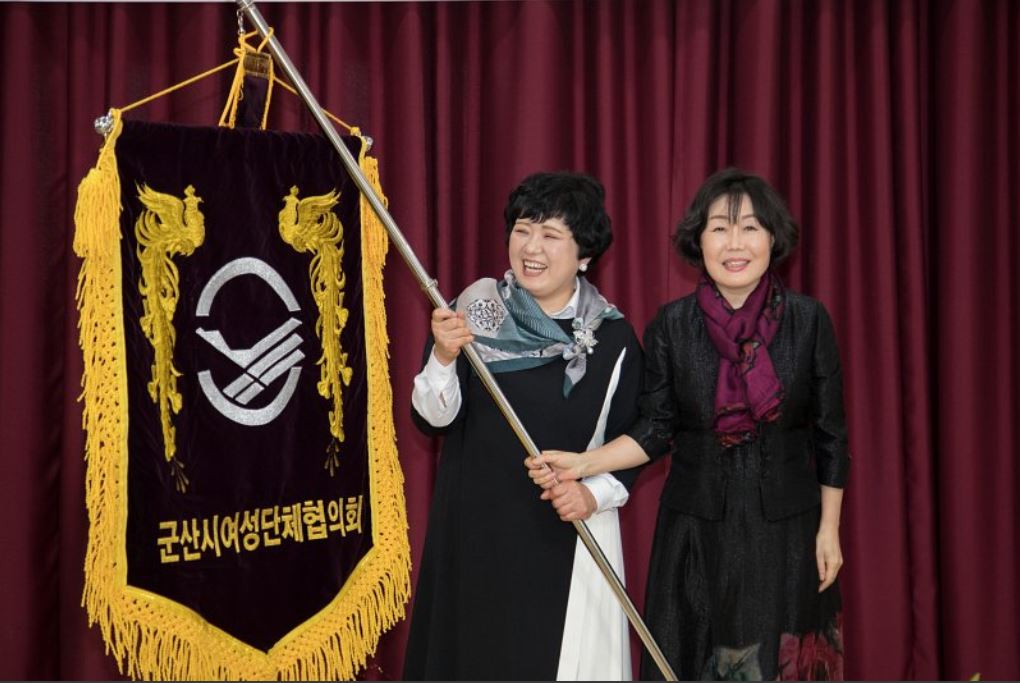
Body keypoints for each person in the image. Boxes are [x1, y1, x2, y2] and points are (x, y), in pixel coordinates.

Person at [528, 168, 850, 680]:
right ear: (699, 241)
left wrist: (828, 530)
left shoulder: (808, 321)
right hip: (694, 534)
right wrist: (583, 464)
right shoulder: (672, 326)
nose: (734, 243)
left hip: (787, 532)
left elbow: (831, 435)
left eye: (750, 227)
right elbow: (656, 429)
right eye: (719, 228)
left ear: (773, 238)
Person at [402, 172, 644, 681]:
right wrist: (443, 356)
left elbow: (640, 436)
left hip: (563, 530)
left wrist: (593, 494)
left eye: (551, 235)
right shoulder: (471, 312)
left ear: (584, 254)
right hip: (472, 530)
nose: (531, 248)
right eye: (522, 229)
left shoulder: (614, 337)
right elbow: (432, 420)